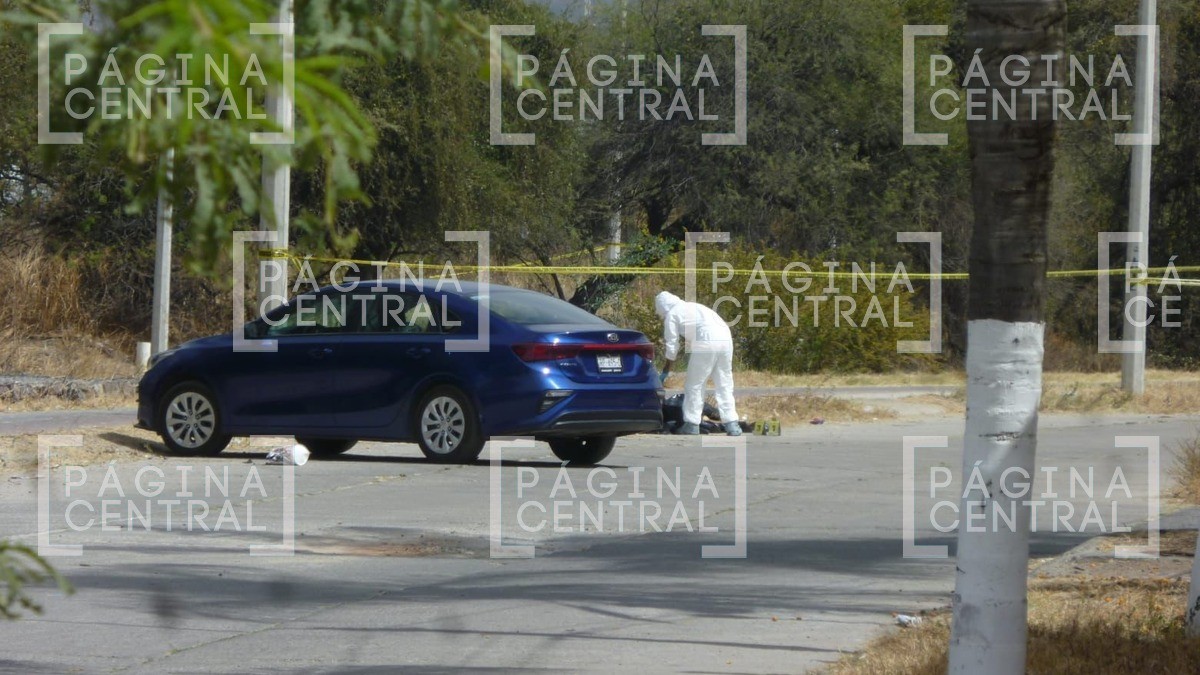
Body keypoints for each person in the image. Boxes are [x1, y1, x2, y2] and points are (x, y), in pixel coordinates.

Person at [654, 291, 741, 436]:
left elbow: (672, 346)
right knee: (724, 383)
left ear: (663, 308)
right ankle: (732, 424)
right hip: (725, 338)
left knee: (695, 384)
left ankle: (692, 424)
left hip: (706, 341)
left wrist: (666, 370)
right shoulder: (694, 307)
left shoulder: (672, 315)